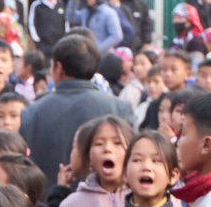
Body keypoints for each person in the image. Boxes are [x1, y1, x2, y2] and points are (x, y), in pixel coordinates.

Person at [21, 37, 130, 180]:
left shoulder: (31, 112)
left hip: (45, 192)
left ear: (58, 68)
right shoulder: (120, 108)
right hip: (107, 193)